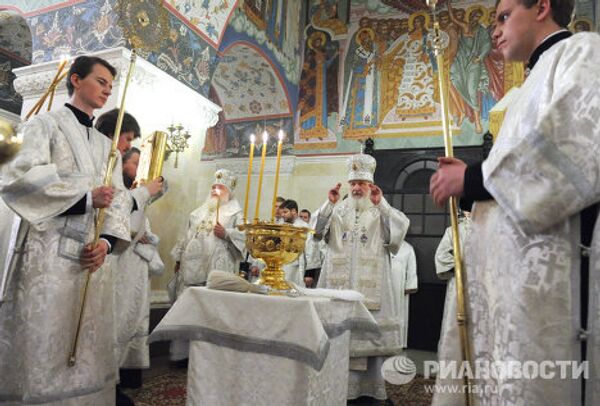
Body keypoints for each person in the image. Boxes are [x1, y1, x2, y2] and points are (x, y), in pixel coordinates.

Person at [429, 0, 600, 403]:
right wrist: (478, 179)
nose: (495, 29)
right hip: (511, 290)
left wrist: (472, 178)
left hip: (552, 292)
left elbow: (575, 146)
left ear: (542, 7)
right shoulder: (525, 89)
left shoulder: (582, 52)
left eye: (504, 16)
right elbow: (516, 178)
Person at [0, 55, 131, 404]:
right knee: (45, 338)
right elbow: (16, 179)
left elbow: (118, 203)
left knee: (87, 342)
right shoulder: (44, 125)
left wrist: (105, 242)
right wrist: (85, 198)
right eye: (101, 81)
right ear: (76, 79)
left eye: (110, 85)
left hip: (92, 261)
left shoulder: (108, 149)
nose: (107, 90)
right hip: (48, 258)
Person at [315, 153, 410, 402]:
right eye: (353, 183)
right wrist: (329, 205)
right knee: (336, 342)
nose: (357, 188)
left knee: (368, 351)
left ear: (371, 185)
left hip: (371, 295)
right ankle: (335, 389)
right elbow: (316, 235)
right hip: (338, 294)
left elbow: (395, 238)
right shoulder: (338, 210)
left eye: (362, 183)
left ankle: (368, 394)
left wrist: (382, 204)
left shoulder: (380, 210)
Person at [169, 169, 245, 361]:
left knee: (211, 309)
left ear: (228, 191)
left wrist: (227, 234)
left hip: (217, 267)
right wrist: (178, 259)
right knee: (187, 306)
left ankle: (209, 356)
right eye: (213, 187)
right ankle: (182, 354)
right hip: (191, 268)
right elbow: (185, 235)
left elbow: (245, 237)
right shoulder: (197, 213)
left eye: (220, 187)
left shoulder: (236, 212)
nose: (215, 191)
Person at [432, 211, 471, 406]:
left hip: (486, 284)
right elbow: (441, 256)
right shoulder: (454, 229)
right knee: (455, 329)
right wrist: (462, 266)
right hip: (459, 286)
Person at [390, 240, 418, 349]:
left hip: (399, 287)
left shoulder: (408, 247)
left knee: (399, 313)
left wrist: (409, 285)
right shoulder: (381, 244)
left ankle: (399, 342)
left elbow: (412, 269)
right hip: (383, 285)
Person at [280, 199, 308, 286]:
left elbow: (309, 250)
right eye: (282, 212)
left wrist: (309, 273)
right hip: (281, 265)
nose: (282, 215)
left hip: (296, 266)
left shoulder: (303, 227)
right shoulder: (281, 226)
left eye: (285, 212)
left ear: (294, 211)